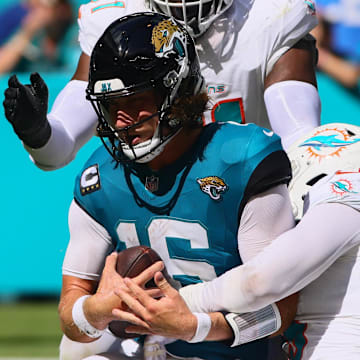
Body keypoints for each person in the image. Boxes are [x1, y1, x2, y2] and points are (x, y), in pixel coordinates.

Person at [58, 13, 298, 360]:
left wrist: (195, 326)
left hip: (237, 352)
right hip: (154, 350)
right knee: (80, 352)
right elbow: (70, 315)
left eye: (136, 101)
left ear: (179, 92)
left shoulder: (239, 159)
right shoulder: (102, 173)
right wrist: (95, 310)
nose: (122, 121)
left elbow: (281, 310)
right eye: (112, 107)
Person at [130, 122, 360, 359]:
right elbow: (272, 314)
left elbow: (259, 282)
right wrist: (195, 327)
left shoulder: (348, 191)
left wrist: (179, 301)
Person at [3, 0, 320, 169]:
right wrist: (38, 133)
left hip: (248, 198)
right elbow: (57, 150)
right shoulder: (113, 21)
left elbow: (299, 142)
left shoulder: (272, 14)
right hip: (149, 200)